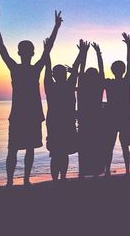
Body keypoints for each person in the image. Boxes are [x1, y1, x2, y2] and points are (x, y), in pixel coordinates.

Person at [0, 2, 62, 186]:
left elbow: (49, 48)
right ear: (21, 52)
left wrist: (56, 27)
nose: (28, 52)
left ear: (30, 52)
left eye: (29, 50)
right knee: (13, 149)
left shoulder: (34, 68)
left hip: (31, 114)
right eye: (25, 50)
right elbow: (0, 45)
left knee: (28, 149)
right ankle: (10, 181)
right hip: (20, 115)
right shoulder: (15, 68)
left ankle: (25, 180)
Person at [44, 39, 89, 182]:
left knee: (61, 153)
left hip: (64, 123)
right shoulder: (53, 86)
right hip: (57, 124)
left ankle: (60, 178)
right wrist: (81, 53)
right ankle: (58, 179)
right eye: (60, 72)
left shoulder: (64, 85)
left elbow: (74, 69)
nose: (62, 74)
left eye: (62, 72)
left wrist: (81, 53)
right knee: (58, 153)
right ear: (56, 75)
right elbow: (48, 67)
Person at [76, 41, 106, 177]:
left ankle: (84, 172)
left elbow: (82, 71)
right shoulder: (97, 87)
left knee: (85, 149)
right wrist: (97, 53)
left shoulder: (82, 86)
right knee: (96, 147)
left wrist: (84, 53)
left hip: (86, 121)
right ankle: (96, 172)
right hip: (96, 121)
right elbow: (101, 71)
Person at [105, 33, 130, 176]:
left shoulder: (109, 83)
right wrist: (128, 46)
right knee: (124, 147)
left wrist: (128, 46)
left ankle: (107, 170)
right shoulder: (124, 81)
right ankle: (127, 170)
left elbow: (127, 63)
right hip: (122, 118)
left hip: (114, 118)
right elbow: (128, 62)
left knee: (110, 146)